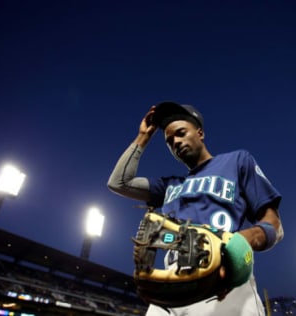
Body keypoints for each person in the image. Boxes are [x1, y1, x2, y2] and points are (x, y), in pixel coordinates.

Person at [108, 101, 284, 316]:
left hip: (221, 275)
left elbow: (274, 224)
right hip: (171, 282)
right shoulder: (169, 186)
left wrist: (240, 242)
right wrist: (144, 137)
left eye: (181, 133)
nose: (176, 142)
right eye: (170, 141)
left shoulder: (237, 161)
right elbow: (118, 183)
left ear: (199, 132)